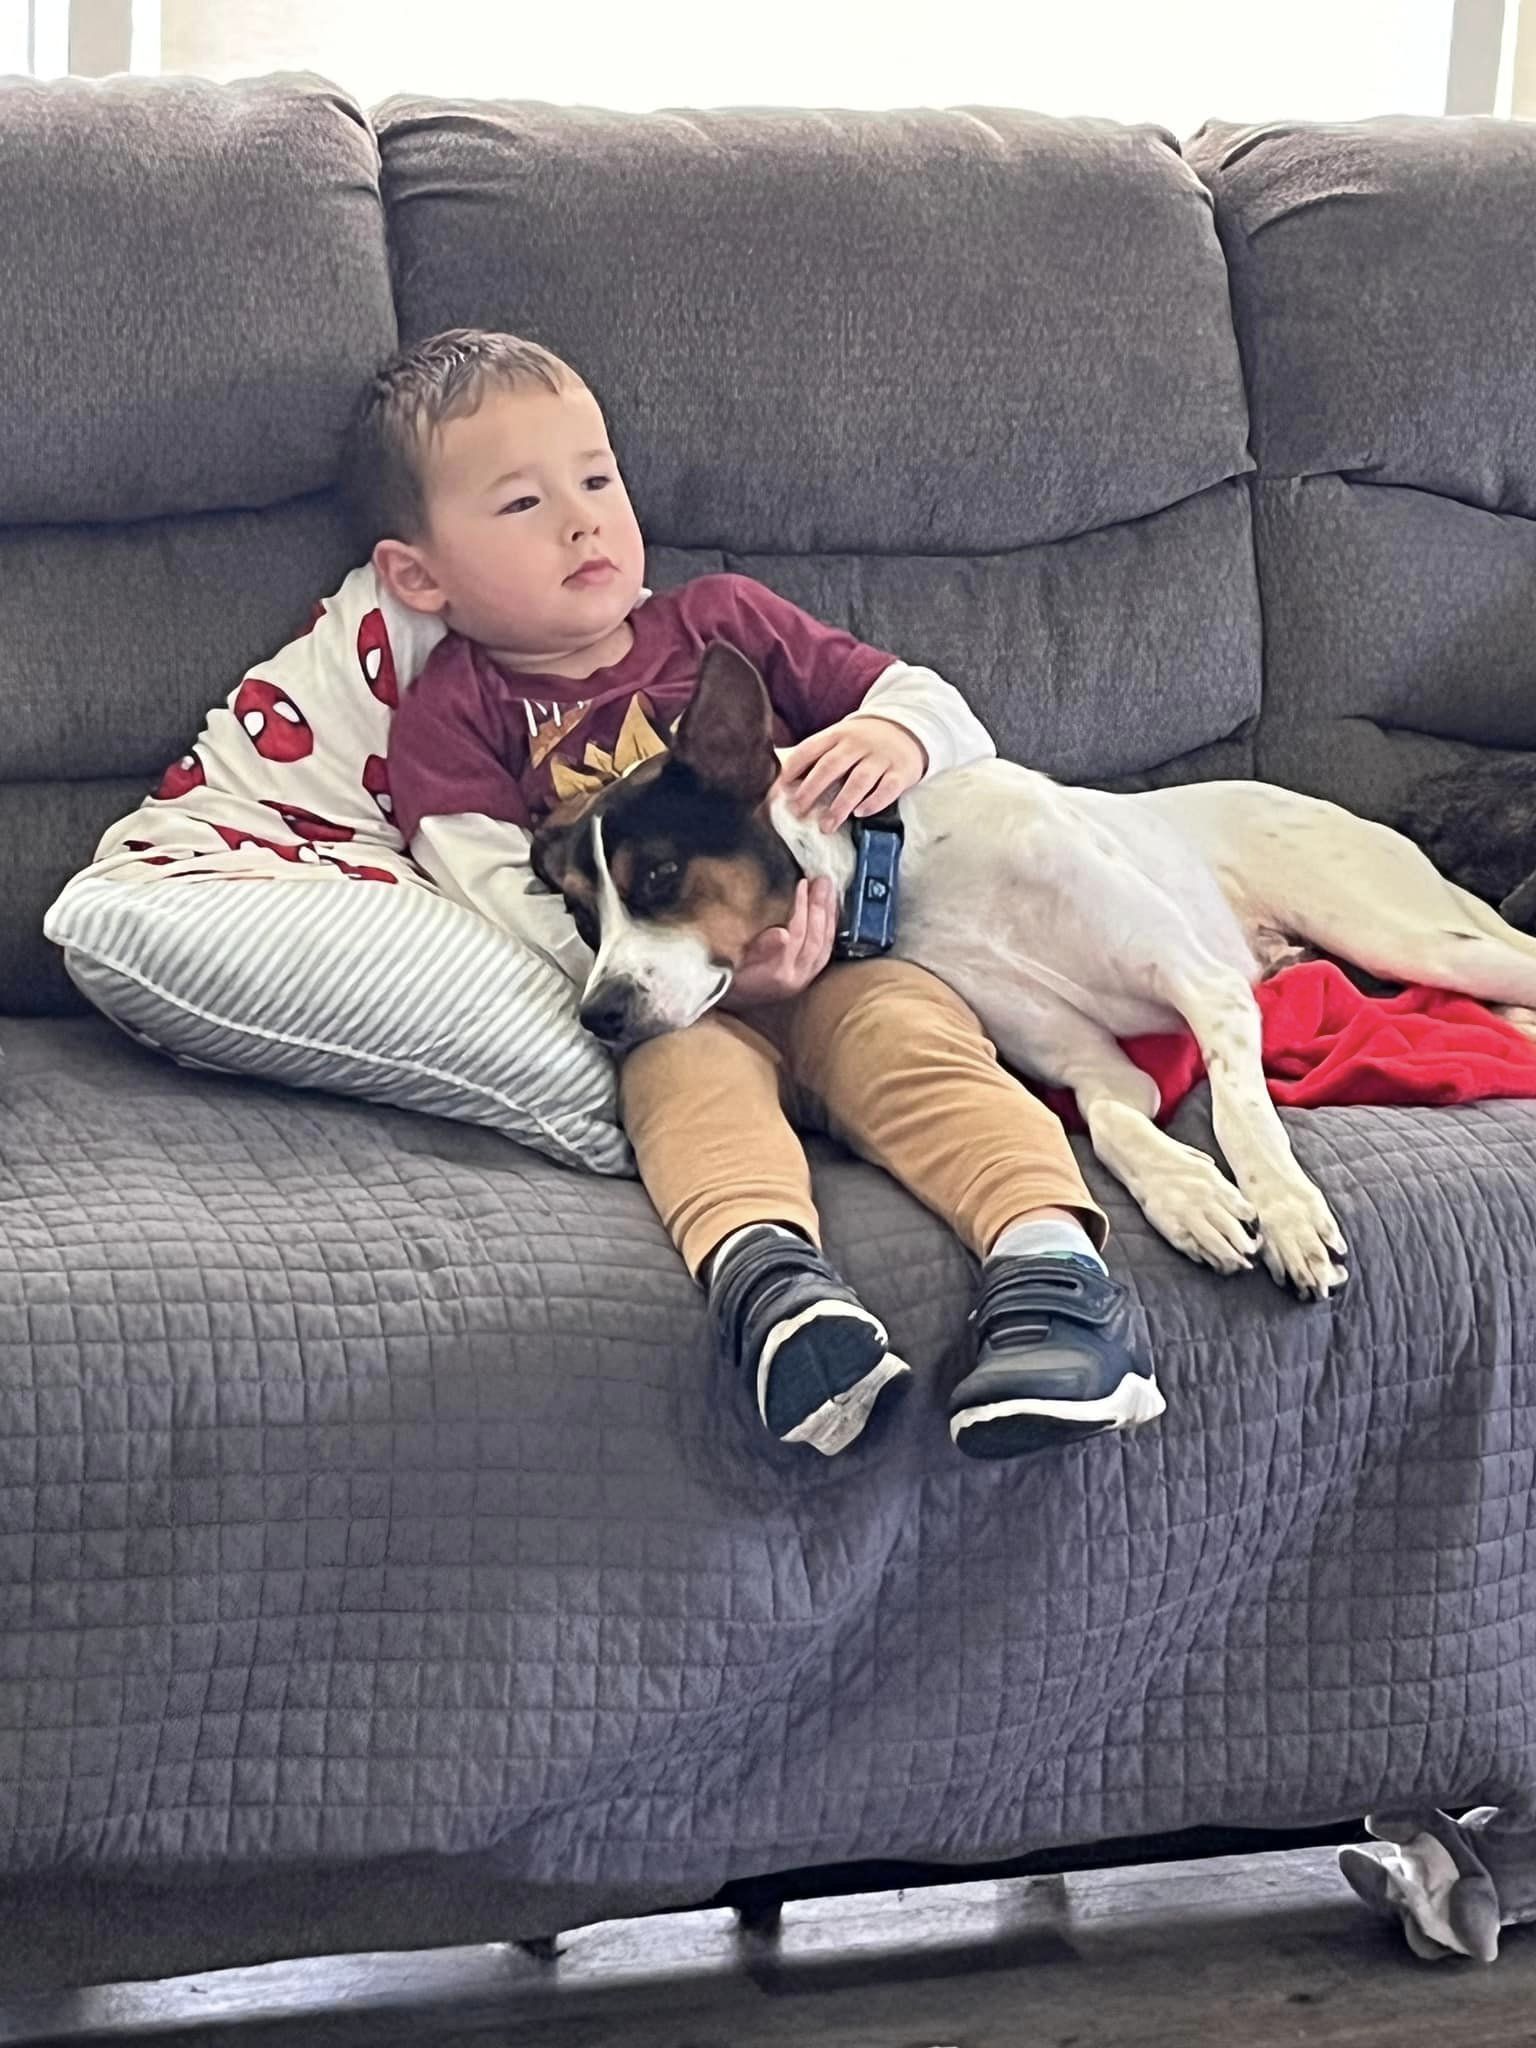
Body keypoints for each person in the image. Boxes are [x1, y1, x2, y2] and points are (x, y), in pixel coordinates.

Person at [359, 328, 1160, 1462]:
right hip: (676, 1006)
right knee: (683, 1092)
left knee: (919, 1047)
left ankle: (1054, 1277)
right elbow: (484, 883)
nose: (583, 520)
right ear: (419, 576)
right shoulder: (457, 704)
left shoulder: (720, 622)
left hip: (847, 956)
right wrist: (678, 971)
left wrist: (893, 729)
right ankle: (778, 1295)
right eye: (522, 503)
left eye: (596, 480)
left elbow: (937, 708)